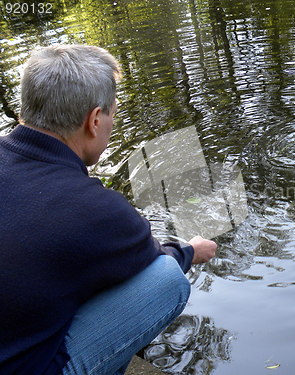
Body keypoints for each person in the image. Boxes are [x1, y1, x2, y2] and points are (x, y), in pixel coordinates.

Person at [0, 44, 217, 375]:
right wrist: (189, 251)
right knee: (167, 278)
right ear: (95, 120)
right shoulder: (94, 209)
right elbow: (153, 259)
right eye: (113, 114)